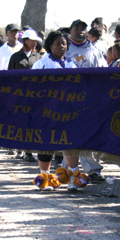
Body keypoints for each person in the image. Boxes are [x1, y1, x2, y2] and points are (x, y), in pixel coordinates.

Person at [31, 32, 80, 191]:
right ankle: (44, 178)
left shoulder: (72, 65)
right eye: (57, 44)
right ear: (50, 45)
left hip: (68, 111)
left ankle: (72, 178)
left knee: (70, 142)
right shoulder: (41, 64)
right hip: (47, 111)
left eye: (64, 44)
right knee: (46, 143)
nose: (61, 47)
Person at [65, 19, 107, 185]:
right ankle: (68, 171)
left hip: (89, 100)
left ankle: (93, 170)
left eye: (83, 28)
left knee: (86, 135)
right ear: (71, 30)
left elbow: (104, 74)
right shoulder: (65, 49)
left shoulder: (94, 51)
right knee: (68, 137)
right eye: (77, 28)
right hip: (68, 100)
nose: (80, 31)